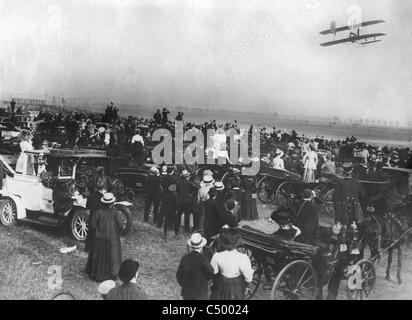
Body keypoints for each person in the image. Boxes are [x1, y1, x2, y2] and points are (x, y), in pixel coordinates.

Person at [85, 193, 124, 282]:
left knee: (99, 255)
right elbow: (121, 226)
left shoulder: (98, 213)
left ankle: (98, 274)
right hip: (113, 239)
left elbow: (93, 225)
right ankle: (112, 274)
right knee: (113, 255)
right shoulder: (116, 213)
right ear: (112, 203)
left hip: (100, 238)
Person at [210, 228, 254, 300]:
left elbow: (213, 272)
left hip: (221, 285)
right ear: (237, 242)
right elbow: (248, 276)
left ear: (223, 242)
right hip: (236, 287)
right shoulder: (242, 258)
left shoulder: (217, 256)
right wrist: (246, 285)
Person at [176, 233, 214, 300]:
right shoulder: (203, 259)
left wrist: (185, 285)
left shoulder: (185, 258)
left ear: (190, 246)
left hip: (186, 292)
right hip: (200, 293)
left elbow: (179, 275)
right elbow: (210, 273)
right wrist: (203, 281)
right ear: (201, 247)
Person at [85, 176, 107, 252]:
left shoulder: (90, 196)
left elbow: (87, 206)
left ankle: (87, 248)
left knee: (90, 233)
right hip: (100, 218)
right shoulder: (104, 198)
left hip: (92, 216)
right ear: (104, 187)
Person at [176, 170, 195, 235]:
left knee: (178, 215)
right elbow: (192, 191)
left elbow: (177, 191)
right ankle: (186, 229)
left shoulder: (178, 183)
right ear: (187, 176)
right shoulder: (190, 183)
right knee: (187, 216)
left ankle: (176, 227)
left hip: (180, 201)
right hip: (187, 201)